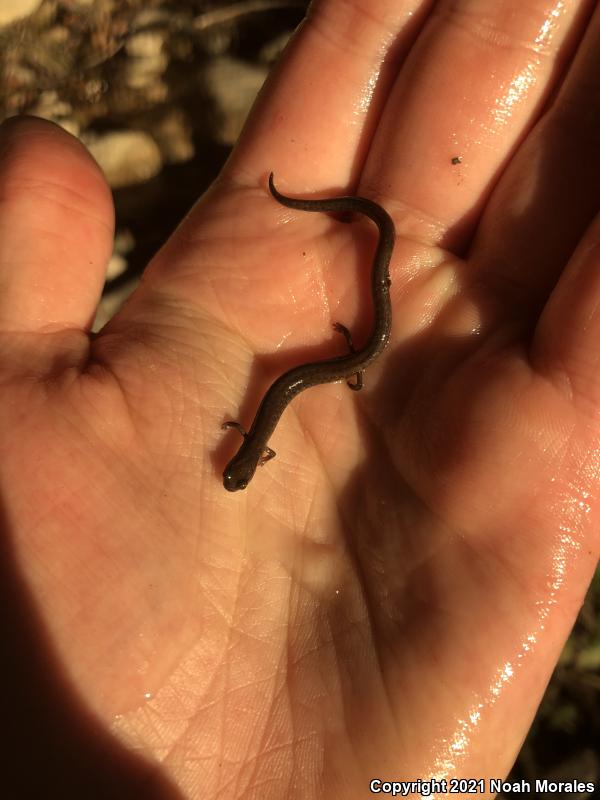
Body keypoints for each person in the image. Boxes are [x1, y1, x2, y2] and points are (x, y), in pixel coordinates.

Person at [0, 0, 598, 796]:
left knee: (363, 292)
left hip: (357, 348)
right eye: (241, 464)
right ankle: (352, 252)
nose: (238, 462)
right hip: (355, 350)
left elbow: (273, 418)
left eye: (240, 463)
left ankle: (354, 245)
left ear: (244, 455)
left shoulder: (257, 433)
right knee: (347, 323)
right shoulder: (252, 429)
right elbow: (269, 417)